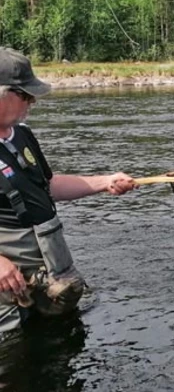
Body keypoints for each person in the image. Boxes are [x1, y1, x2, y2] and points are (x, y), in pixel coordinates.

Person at [0, 47, 136, 336]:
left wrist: (105, 181)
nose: (33, 101)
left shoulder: (22, 135)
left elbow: (48, 185)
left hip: (47, 282)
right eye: (25, 94)